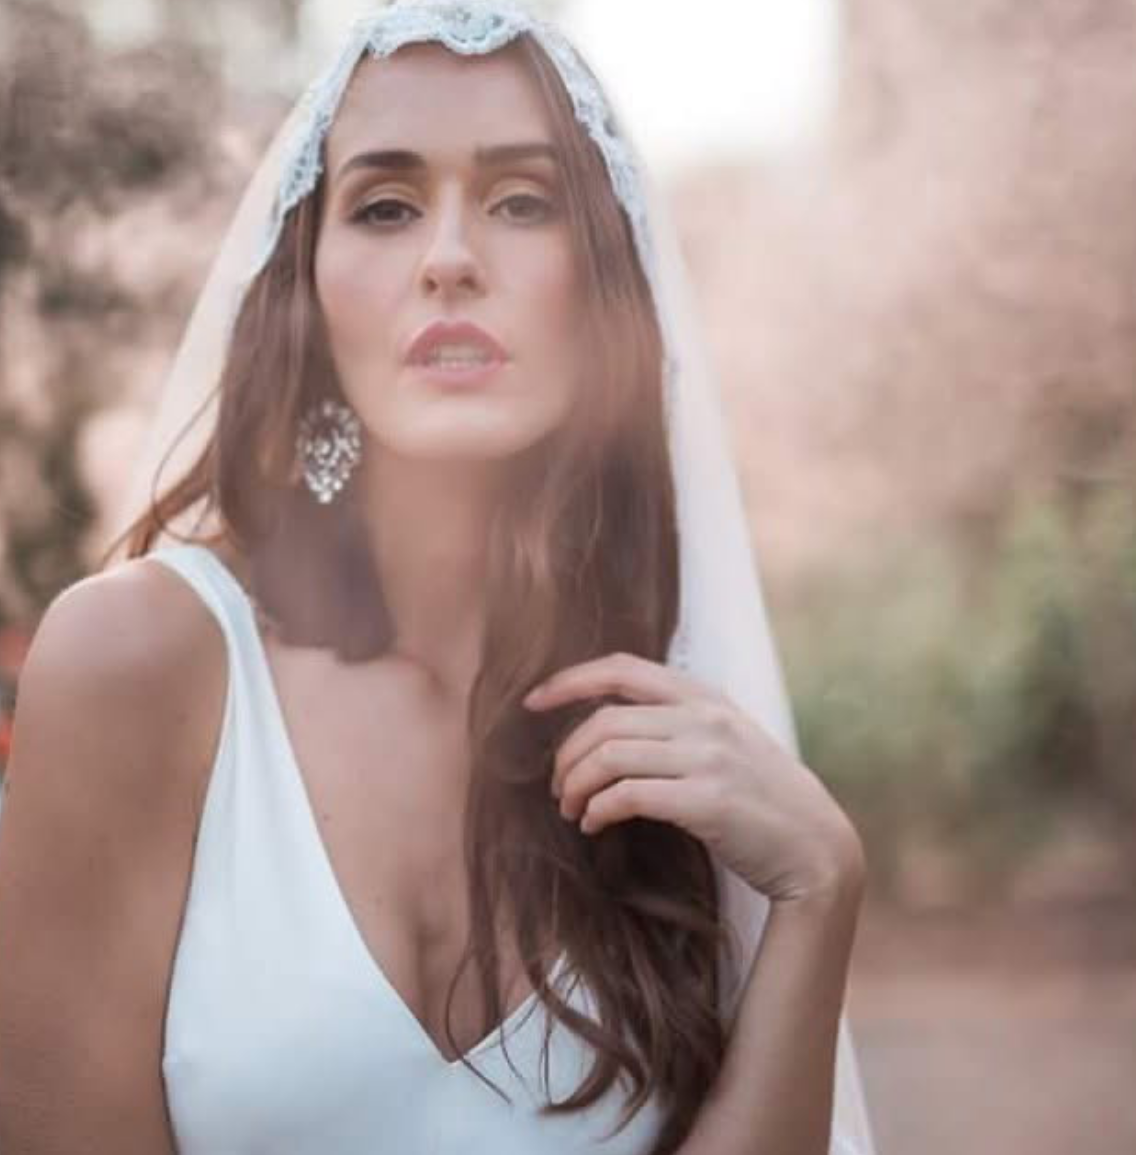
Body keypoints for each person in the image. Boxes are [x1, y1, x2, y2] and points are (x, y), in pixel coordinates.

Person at [0, 1, 879, 1152]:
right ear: (306, 292)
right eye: (383, 205)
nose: (451, 258)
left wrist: (820, 892)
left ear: (603, 283)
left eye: (521, 201)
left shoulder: (665, 737)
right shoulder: (141, 662)